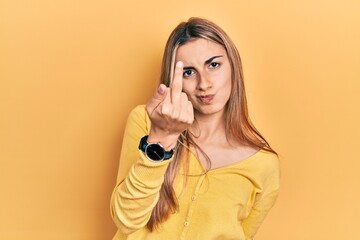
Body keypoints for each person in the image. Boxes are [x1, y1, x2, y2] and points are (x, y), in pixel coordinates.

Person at [110, 17, 280, 240]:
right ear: (174, 79)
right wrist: (163, 137)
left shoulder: (264, 166)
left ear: (233, 67)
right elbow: (126, 220)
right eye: (188, 72)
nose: (204, 84)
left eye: (214, 65)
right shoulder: (146, 121)